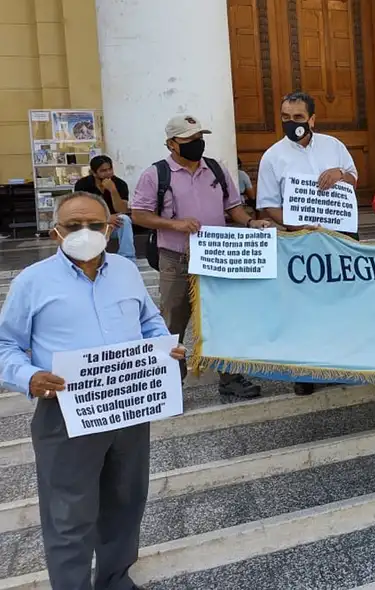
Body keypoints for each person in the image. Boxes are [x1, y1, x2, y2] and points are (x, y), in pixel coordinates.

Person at [0, 192, 185, 590]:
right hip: (65, 413)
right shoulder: (33, 282)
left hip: (129, 409)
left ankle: (116, 580)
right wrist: (27, 376)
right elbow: (4, 344)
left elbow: (149, 320)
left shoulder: (124, 270)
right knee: (69, 516)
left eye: (94, 225)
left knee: (125, 505)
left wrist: (165, 347)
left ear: (109, 228)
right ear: (55, 233)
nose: (84, 233)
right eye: (73, 226)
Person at [131, 114, 274, 399]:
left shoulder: (216, 170)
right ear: (172, 144)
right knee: (173, 321)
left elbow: (233, 206)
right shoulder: (156, 175)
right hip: (176, 258)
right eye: (190, 140)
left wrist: (249, 223)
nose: (198, 144)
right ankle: (170, 383)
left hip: (216, 257)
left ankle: (230, 376)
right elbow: (139, 214)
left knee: (221, 318)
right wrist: (175, 224)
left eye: (199, 138)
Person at [257, 91, 360, 239]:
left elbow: (353, 181)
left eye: (298, 117)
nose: (291, 122)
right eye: (286, 117)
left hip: (342, 233)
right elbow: (270, 205)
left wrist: (341, 173)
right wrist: (300, 228)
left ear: (311, 120)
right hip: (301, 237)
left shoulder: (333, 145)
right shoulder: (271, 157)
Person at [74, 155, 136, 262]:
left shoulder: (120, 184)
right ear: (94, 173)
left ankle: (127, 259)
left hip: (113, 226)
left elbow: (122, 209)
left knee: (124, 219)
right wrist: (105, 218)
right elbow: (80, 211)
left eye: (110, 169)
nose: (108, 173)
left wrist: (113, 191)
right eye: (103, 171)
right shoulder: (82, 185)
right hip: (92, 224)